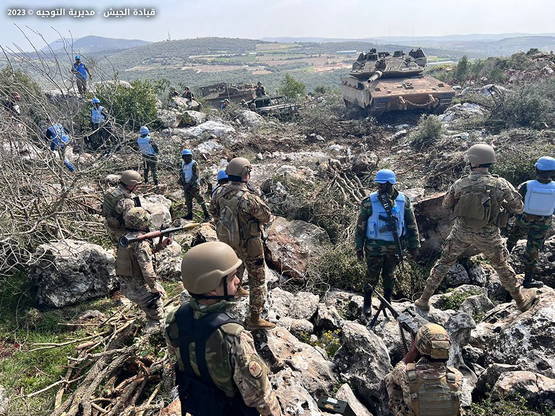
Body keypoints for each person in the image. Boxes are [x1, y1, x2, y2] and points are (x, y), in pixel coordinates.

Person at [414, 143, 537, 312]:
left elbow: (446, 204)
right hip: (489, 235)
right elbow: (518, 207)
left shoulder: (460, 183)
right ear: (489, 162)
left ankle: (423, 299)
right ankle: (521, 301)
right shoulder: (500, 184)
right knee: (501, 266)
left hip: (461, 232)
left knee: (443, 264)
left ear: (473, 162)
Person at [164, 241, 283, 416]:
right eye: (232, 277)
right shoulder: (232, 335)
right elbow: (259, 396)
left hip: (198, 403)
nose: (237, 281)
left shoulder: (175, 317)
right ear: (211, 288)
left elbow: (176, 359)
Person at [209, 157, 274, 330]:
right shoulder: (249, 198)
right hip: (250, 244)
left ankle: (234, 291)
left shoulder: (219, 192)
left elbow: (213, 212)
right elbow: (266, 217)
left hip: (228, 241)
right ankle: (255, 318)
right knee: (257, 280)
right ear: (246, 174)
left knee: (233, 268)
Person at [355, 169, 420, 317]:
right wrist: (359, 247)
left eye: (382, 185)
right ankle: (367, 303)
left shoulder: (403, 201)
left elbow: (411, 224)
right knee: (371, 275)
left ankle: (387, 301)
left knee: (390, 275)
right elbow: (360, 226)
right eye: (378, 185)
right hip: (374, 246)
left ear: (391, 184)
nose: (379, 188)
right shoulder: (369, 202)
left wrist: (414, 246)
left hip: (395, 246)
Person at [385, 323, 463, 416]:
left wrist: (413, 351)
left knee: (390, 378)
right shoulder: (456, 375)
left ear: (419, 346)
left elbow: (398, 368)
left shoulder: (406, 374)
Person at [116, 207, 169, 332]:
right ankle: (155, 332)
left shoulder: (126, 238)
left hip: (126, 286)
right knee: (158, 312)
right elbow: (147, 269)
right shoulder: (140, 243)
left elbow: (137, 256)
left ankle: (149, 319)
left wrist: (160, 245)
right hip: (139, 288)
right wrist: (154, 287)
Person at [506, 156, 555, 288]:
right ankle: (528, 280)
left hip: (524, 219)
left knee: (513, 237)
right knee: (533, 250)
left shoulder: (527, 185)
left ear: (537, 169)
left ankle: (502, 260)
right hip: (543, 224)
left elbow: (515, 201)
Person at [102, 170, 142, 243]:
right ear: (131, 185)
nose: (138, 187)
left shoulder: (112, 191)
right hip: (117, 230)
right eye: (137, 185)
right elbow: (131, 222)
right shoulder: (127, 201)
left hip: (108, 223)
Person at [179, 149, 210, 221]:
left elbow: (196, 175)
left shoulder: (194, 164)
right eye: (185, 157)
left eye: (188, 156)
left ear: (191, 157)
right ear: (183, 157)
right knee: (188, 201)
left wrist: (189, 184)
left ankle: (207, 214)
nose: (186, 158)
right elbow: (182, 173)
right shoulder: (183, 164)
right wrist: (181, 181)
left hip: (194, 186)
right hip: (186, 186)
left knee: (200, 200)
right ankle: (189, 215)